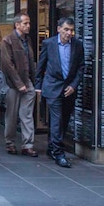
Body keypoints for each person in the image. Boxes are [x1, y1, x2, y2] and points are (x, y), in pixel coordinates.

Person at [35, 17, 84, 168]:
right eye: (66, 30)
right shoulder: (48, 44)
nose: (69, 33)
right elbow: (41, 65)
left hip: (69, 89)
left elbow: (81, 67)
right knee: (56, 120)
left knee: (64, 119)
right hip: (52, 87)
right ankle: (59, 153)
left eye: (71, 30)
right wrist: (38, 86)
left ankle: (52, 147)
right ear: (58, 29)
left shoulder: (77, 45)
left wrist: (74, 85)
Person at [0, 13, 37, 157]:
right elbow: (7, 64)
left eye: (28, 23)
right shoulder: (7, 40)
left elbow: (31, 62)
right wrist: (18, 83)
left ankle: (28, 144)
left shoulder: (27, 40)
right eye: (25, 23)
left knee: (26, 114)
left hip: (27, 81)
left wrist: (33, 82)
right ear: (17, 25)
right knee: (12, 114)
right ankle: (10, 142)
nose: (28, 26)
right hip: (13, 83)